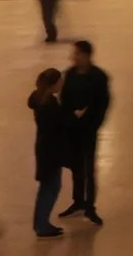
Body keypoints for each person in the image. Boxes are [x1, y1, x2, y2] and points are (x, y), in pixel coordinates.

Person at [58, 40, 111, 225]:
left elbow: (103, 104)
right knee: (76, 167)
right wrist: (69, 119)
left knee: (89, 169)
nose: (73, 57)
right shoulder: (70, 74)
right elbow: (63, 100)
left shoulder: (99, 77)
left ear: (86, 55)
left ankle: (90, 206)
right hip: (73, 130)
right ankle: (78, 201)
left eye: (77, 54)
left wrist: (92, 123)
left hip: (88, 130)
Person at [27, 67, 71, 237]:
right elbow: (59, 126)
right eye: (60, 81)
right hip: (51, 151)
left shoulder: (38, 99)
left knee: (47, 186)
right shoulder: (50, 105)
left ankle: (40, 222)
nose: (62, 84)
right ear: (54, 84)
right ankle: (41, 224)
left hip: (44, 148)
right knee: (51, 186)